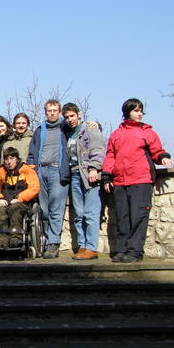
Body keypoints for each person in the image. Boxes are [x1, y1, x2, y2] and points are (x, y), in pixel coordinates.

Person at [102, 98, 174, 263]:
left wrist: (163, 158)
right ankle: (121, 250)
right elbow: (110, 156)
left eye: (141, 110)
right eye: (136, 110)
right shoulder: (116, 134)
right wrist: (106, 176)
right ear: (127, 112)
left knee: (138, 217)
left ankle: (135, 252)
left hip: (141, 180)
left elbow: (157, 150)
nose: (140, 113)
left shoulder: (147, 132)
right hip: (120, 182)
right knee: (122, 218)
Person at [62, 102, 106, 260]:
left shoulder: (89, 129)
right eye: (67, 117)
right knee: (79, 213)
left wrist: (94, 168)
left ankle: (91, 247)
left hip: (88, 174)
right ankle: (82, 246)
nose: (70, 119)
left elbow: (98, 149)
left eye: (72, 116)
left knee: (90, 213)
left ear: (78, 114)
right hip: (74, 174)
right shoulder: (67, 132)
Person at [27, 100, 70, 259]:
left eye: (55, 110)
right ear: (45, 112)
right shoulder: (40, 130)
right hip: (41, 171)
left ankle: (53, 243)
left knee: (56, 209)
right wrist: (32, 169)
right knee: (44, 210)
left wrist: (94, 124)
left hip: (57, 171)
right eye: (49, 111)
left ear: (59, 112)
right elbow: (32, 153)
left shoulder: (65, 128)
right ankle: (45, 240)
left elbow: (81, 131)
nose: (52, 113)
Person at [0, 147, 40, 249]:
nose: (9, 162)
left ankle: (16, 238)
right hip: (5, 201)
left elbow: (34, 188)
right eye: (6, 159)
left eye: (12, 158)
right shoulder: (0, 172)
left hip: (22, 203)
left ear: (17, 159)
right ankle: (2, 240)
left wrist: (20, 198)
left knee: (14, 208)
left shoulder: (26, 170)